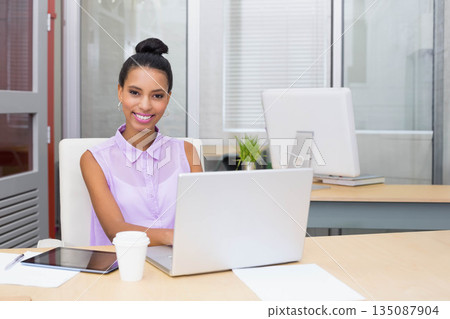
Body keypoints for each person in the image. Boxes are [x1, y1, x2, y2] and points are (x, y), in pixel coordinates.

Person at [80, 38, 202, 247]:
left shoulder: (187, 152)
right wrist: (173, 237)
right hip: (120, 271)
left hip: (179, 268)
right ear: (120, 92)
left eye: (157, 95)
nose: (145, 105)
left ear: (168, 98)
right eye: (134, 93)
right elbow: (115, 230)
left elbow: (201, 220)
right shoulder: (94, 160)